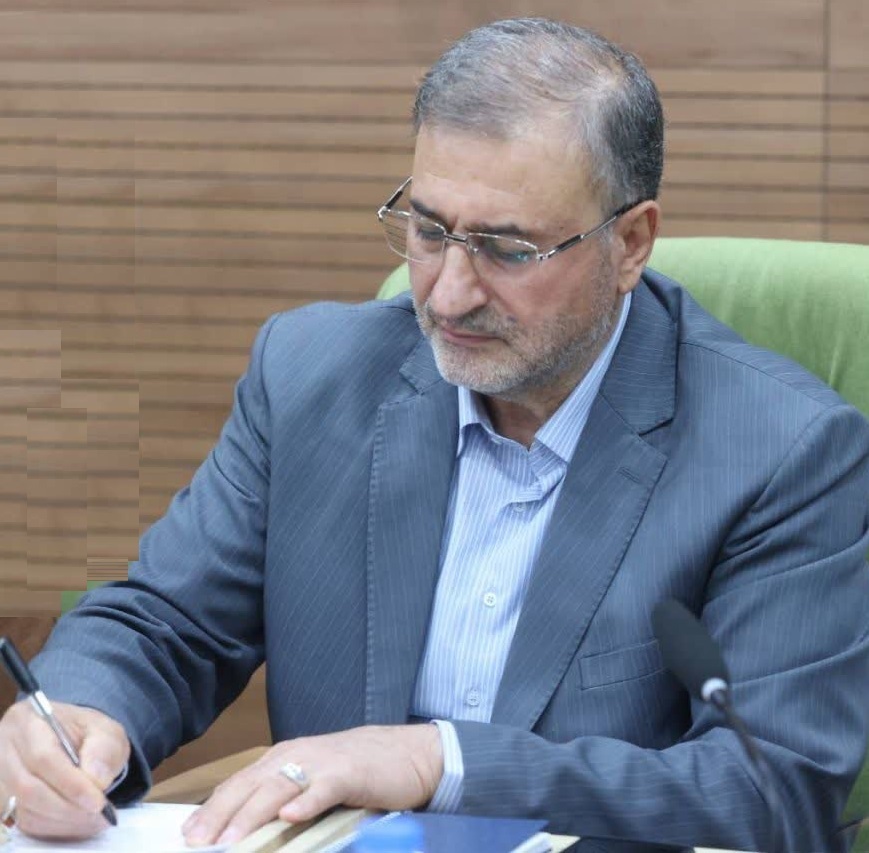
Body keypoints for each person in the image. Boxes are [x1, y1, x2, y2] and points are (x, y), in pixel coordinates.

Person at [1, 17, 868, 852]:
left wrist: (439, 761)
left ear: (631, 242)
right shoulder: (311, 378)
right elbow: (168, 620)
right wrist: (83, 711)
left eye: (506, 249)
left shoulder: (783, 452)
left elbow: (769, 789)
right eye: (428, 230)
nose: (448, 294)